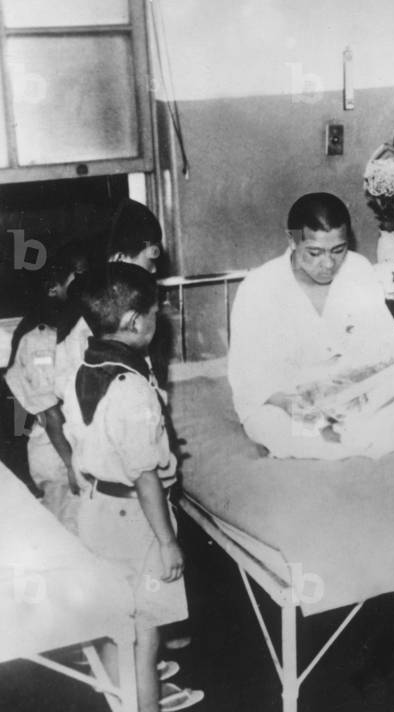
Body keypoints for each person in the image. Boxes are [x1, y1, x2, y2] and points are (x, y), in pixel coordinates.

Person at [62, 264, 203, 712]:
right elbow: (146, 478)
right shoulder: (132, 388)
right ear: (136, 321)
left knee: (112, 622)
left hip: (97, 508)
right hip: (137, 522)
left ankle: (116, 703)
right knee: (146, 633)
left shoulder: (83, 367)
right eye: (155, 312)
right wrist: (167, 542)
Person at [227, 192, 394, 459]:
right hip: (288, 404)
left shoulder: (359, 271)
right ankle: (347, 446)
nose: (328, 264)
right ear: (292, 240)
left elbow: (387, 349)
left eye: (338, 250)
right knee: (275, 425)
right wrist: (298, 405)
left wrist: (358, 392)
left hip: (352, 398)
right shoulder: (259, 288)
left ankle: (350, 441)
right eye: (314, 252)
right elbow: (249, 380)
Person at [53, 198, 165, 402]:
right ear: (119, 259)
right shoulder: (89, 325)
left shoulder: (127, 314)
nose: (155, 268)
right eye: (150, 259)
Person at [4, 250, 83, 530]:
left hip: (67, 446)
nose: (85, 284)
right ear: (53, 289)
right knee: (67, 530)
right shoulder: (39, 339)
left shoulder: (67, 327)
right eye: (77, 278)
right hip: (55, 453)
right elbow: (50, 413)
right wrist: (73, 465)